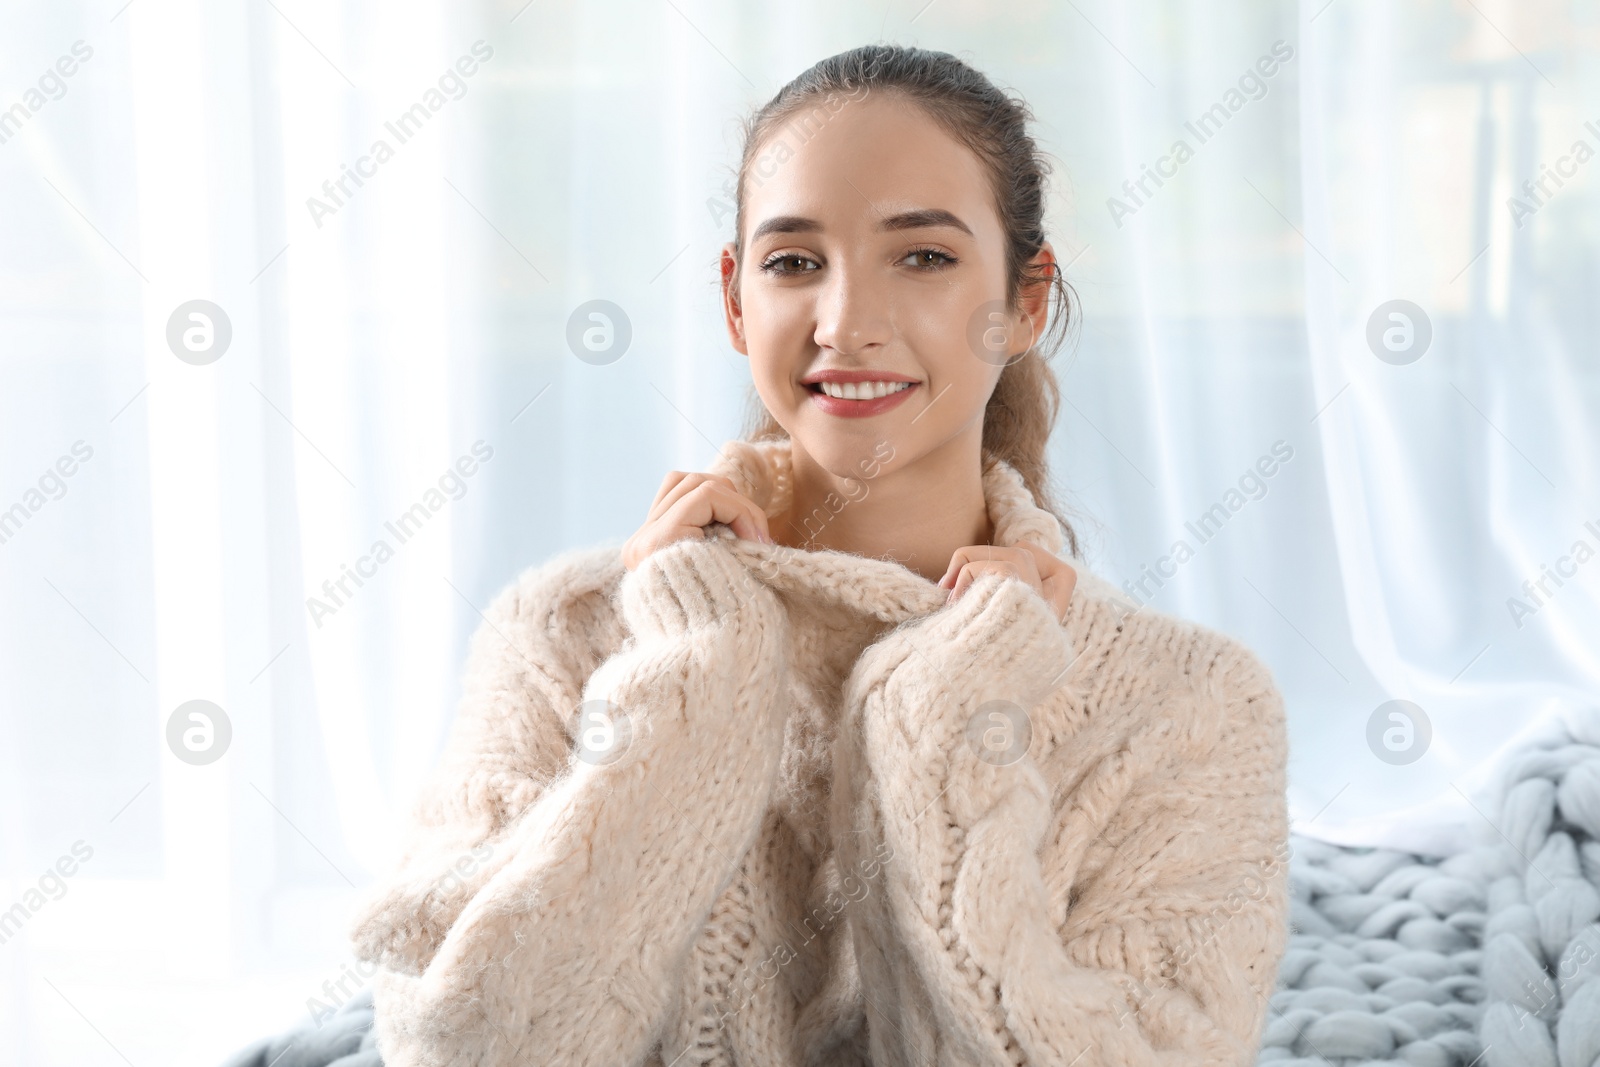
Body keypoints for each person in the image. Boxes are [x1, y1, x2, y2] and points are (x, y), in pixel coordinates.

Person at [243, 42, 1290, 1067]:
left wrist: (944, 708)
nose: (846, 320)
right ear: (737, 300)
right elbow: (457, 1048)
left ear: (1022, 301)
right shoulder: (566, 633)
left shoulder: (1191, 700)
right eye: (795, 262)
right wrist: (696, 673)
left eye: (922, 255)